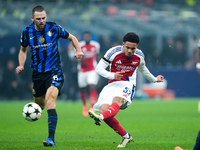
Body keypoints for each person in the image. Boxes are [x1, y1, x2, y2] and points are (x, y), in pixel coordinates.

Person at [15, 5, 84, 147]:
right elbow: (23, 50)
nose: (41, 21)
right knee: (40, 105)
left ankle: (51, 139)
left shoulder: (54, 27)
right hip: (38, 74)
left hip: (54, 71)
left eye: (44, 18)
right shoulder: (26, 32)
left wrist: (78, 50)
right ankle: (39, 111)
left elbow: (72, 37)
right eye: (38, 19)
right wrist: (21, 64)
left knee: (50, 100)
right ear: (32, 18)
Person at [88, 32, 164, 148]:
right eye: (127, 47)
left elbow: (143, 69)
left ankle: (101, 117)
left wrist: (154, 79)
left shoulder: (139, 56)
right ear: (123, 44)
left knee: (116, 101)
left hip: (127, 84)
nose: (130, 51)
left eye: (132, 49)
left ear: (136, 47)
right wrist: (112, 75)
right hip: (112, 84)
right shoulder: (113, 52)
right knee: (105, 109)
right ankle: (126, 136)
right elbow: (98, 68)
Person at [78, 31, 100, 117]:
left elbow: (97, 56)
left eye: (88, 36)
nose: (87, 38)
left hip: (92, 70)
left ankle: (92, 107)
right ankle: (85, 106)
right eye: (85, 36)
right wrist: (80, 59)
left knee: (92, 86)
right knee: (82, 89)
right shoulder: (79, 45)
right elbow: (74, 58)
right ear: (83, 37)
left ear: (90, 37)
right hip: (82, 71)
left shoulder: (96, 45)